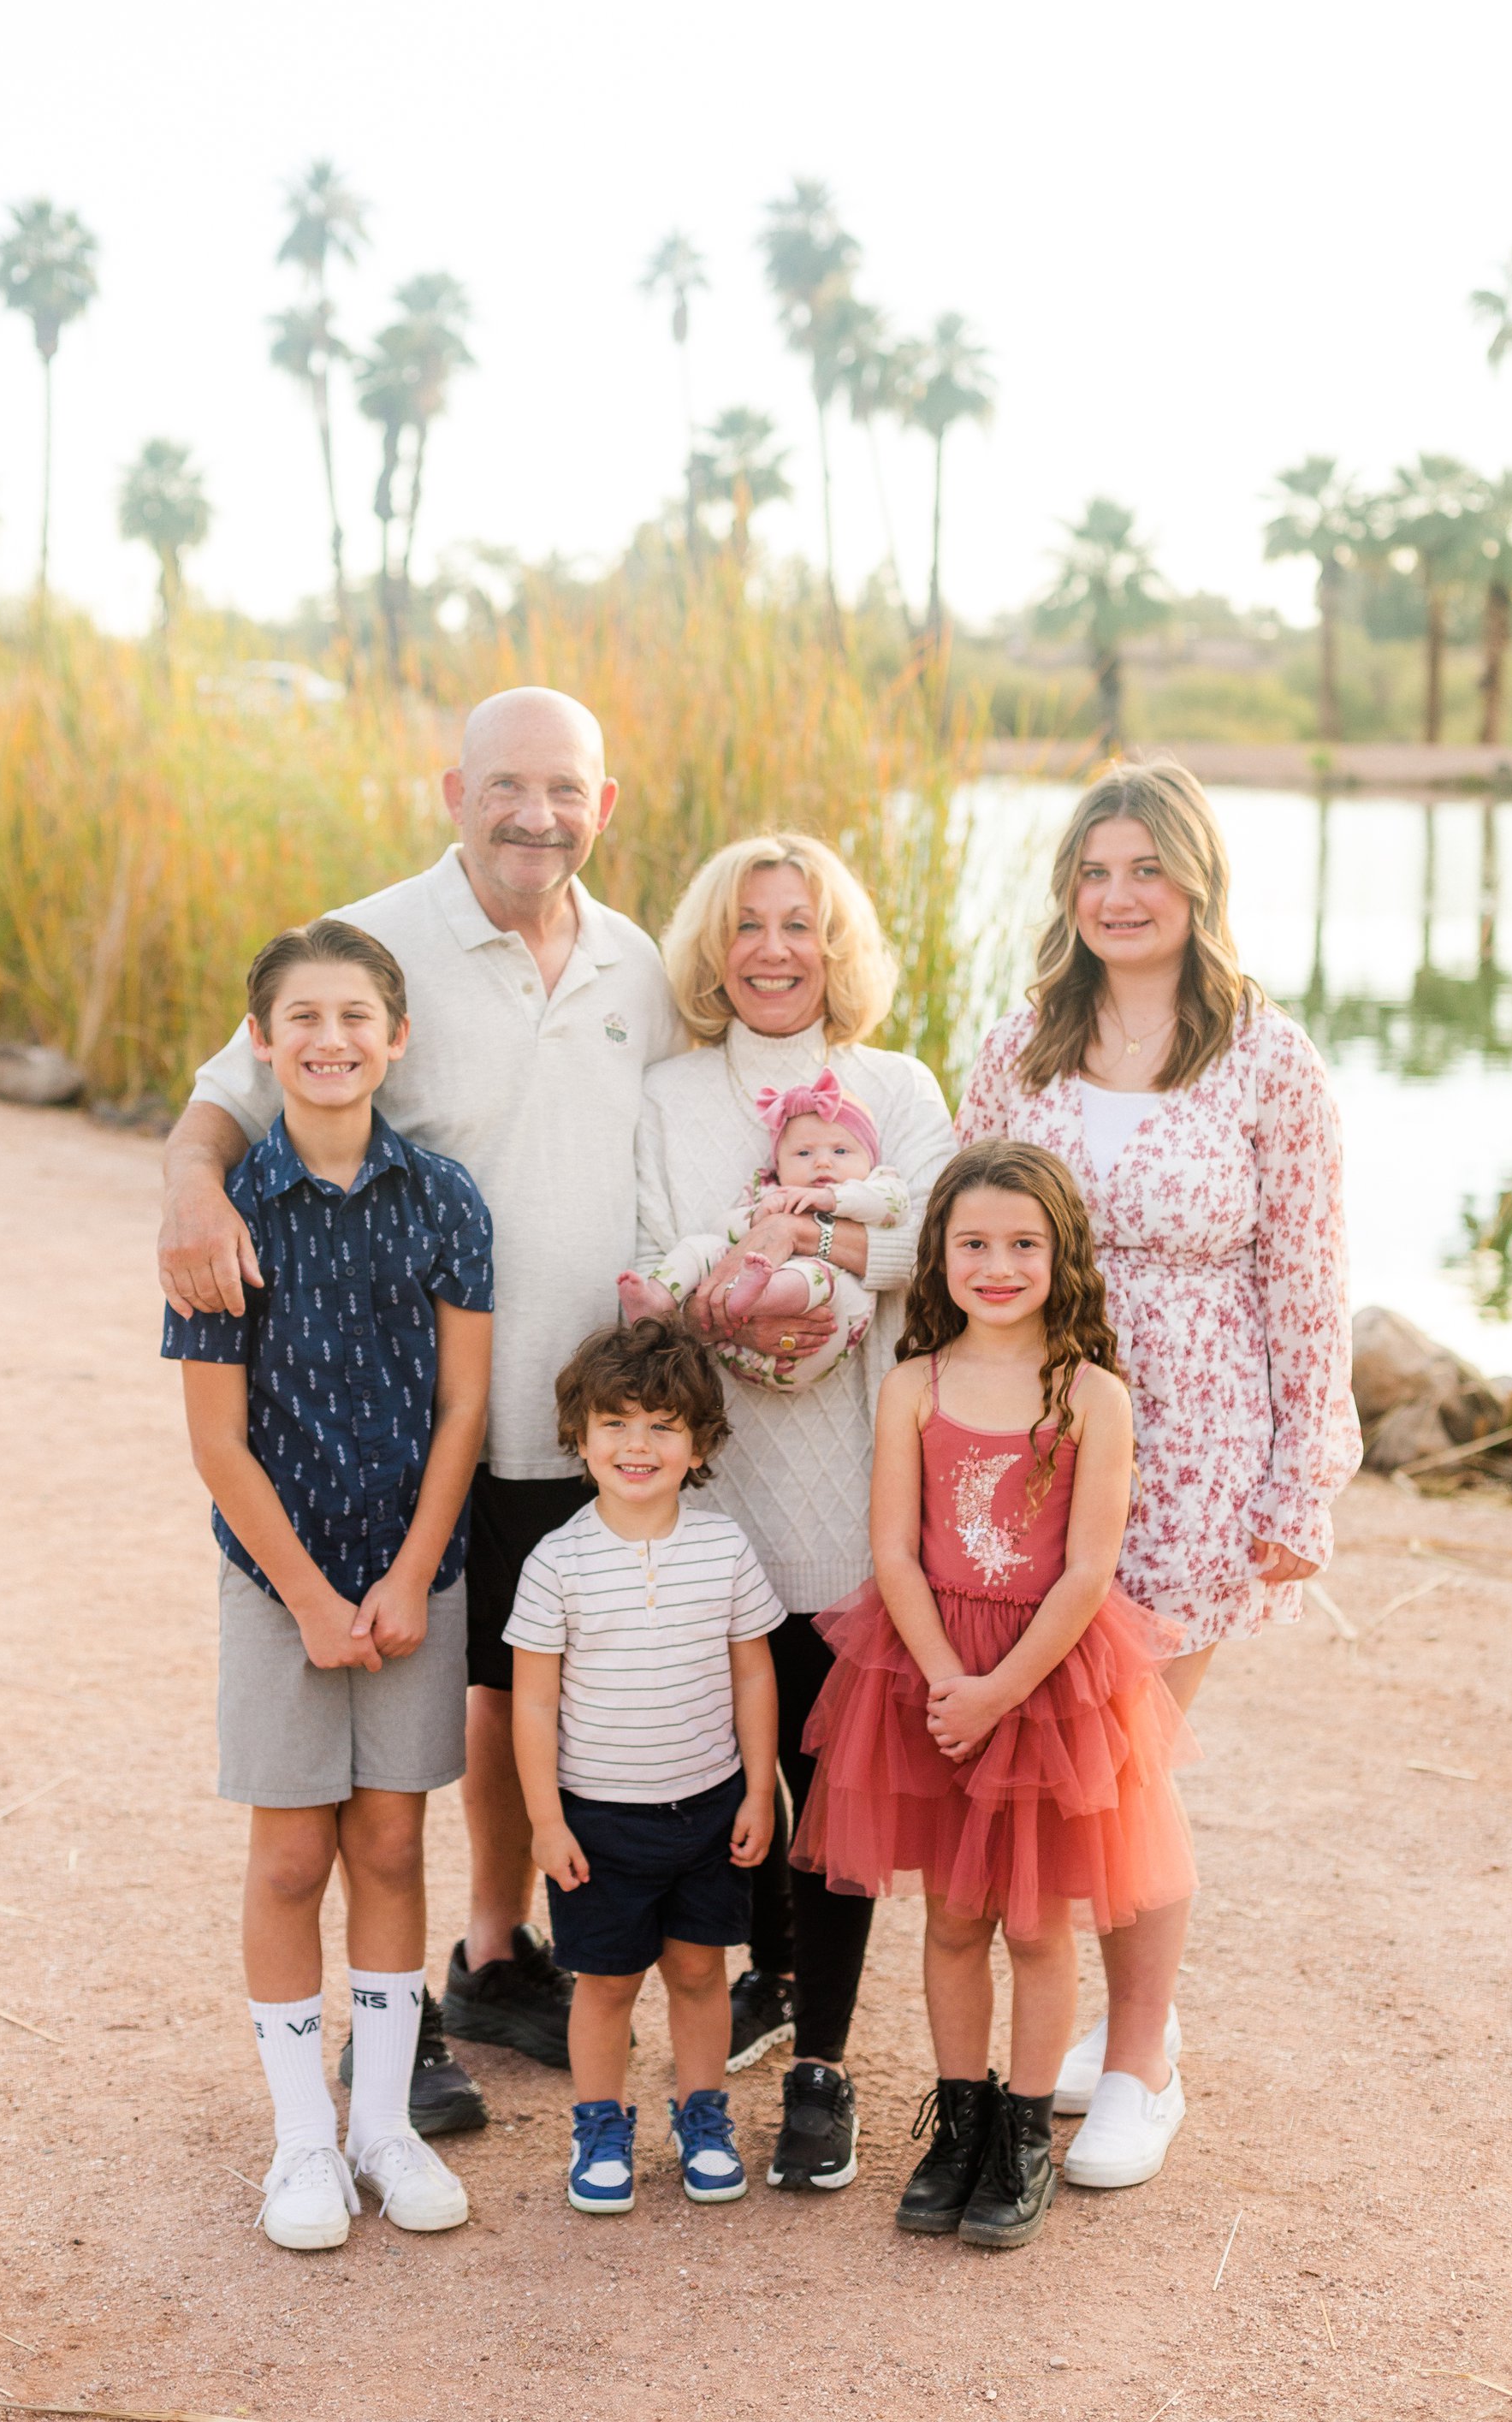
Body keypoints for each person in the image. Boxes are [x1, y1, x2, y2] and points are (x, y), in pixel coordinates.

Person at [157, 686, 686, 2128]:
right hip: (419, 1432)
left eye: (564, 789)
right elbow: (226, 1098)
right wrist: (192, 1188)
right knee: (408, 1739)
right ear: (454, 790)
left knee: (534, 1691)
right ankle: (393, 2040)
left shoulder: (638, 963)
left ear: (603, 804)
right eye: (505, 783)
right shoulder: (373, 941)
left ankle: (495, 1954)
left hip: (593, 1423)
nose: (536, 814)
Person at [955, 758, 1361, 2185]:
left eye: (1146, 869)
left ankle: (1142, 2060)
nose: (1119, 897)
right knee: (1057, 1757)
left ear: (1196, 882)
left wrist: (1303, 1481)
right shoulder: (1019, 1047)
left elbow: (1309, 1282)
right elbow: (966, 1235)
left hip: (1196, 1443)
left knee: (1125, 1760)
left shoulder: (1267, 1060)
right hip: (1035, 1435)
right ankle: (1118, 2023)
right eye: (1094, 871)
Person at [792, 1141, 1198, 2245]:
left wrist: (1002, 1691)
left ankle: (1023, 2135)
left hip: (1048, 1682)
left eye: (1025, 1243)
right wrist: (946, 1683)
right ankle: (959, 2124)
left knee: (1035, 1923)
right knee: (954, 1917)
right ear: (939, 1256)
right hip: (930, 1671)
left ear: (1063, 1257)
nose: (999, 1265)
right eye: (974, 1242)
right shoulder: (914, 1387)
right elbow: (894, 1551)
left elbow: (1087, 1571)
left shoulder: (1094, 1396)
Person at [162, 918, 494, 2251]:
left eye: (356, 1016)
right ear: (259, 1040)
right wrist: (303, 1594)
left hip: (415, 1570)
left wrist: (412, 1573)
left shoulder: (446, 1200)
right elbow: (216, 1440)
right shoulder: (224, 1219)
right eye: (301, 1016)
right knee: (295, 1853)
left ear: (396, 1039)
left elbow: (463, 1408)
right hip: (277, 1579)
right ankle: (302, 2136)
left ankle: (383, 2127)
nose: (330, 1039)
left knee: (394, 1843)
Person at [634, 834, 957, 2190]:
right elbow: (656, 1263)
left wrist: (798, 1242)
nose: (774, 949)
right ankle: (758, 1979)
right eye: (749, 925)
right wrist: (740, 1309)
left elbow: (936, 1245)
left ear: (838, 949)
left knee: (834, 1777)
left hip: (853, 1482)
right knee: (724, 1766)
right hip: (712, 1482)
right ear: (715, 950)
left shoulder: (900, 1087)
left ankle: (822, 2064)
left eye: (800, 924)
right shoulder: (667, 1095)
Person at [506, 1319, 782, 2214]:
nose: (638, 1444)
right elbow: (533, 1703)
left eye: (664, 1426)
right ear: (580, 1436)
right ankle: (599, 2128)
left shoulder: (724, 1547)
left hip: (708, 1809)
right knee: (608, 1982)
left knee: (700, 1972)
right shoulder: (557, 1563)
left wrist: (759, 1790)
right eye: (615, 1423)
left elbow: (753, 1674)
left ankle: (704, 2120)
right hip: (599, 1820)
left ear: (698, 1446)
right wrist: (546, 1821)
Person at [617, 1066, 909, 1387]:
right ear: (779, 1165)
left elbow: (896, 1206)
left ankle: (760, 1295)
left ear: (870, 1158)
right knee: (703, 1246)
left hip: (817, 1339)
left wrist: (831, 1199)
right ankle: (658, 1301)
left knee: (813, 1273)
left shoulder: (875, 1185)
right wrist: (756, 1218)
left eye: (841, 1151)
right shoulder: (769, 1191)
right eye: (803, 1153)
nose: (823, 1162)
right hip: (737, 1349)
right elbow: (720, 1229)